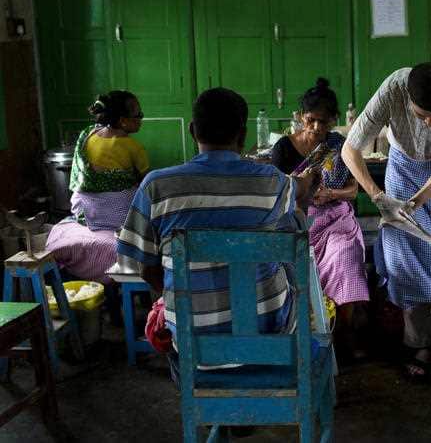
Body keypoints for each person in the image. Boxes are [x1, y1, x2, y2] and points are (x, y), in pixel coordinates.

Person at [116, 87, 319, 372]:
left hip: (194, 349)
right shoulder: (273, 183)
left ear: (192, 130)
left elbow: (145, 269)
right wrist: (308, 179)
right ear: (243, 134)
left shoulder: (156, 188)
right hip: (271, 337)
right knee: (289, 241)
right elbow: (302, 188)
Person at [342, 63, 431, 377]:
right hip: (403, 168)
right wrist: (378, 196)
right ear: (407, 99)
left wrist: (419, 200)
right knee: (404, 260)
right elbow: (350, 150)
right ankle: (417, 341)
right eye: (421, 116)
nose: (429, 123)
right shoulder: (392, 90)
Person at [271, 78, 369, 359]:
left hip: (336, 218)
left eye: (324, 122)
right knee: (298, 262)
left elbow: (353, 190)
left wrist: (332, 193)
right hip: (300, 220)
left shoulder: (340, 145)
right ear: (300, 117)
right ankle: (310, 330)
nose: (316, 128)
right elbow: (279, 195)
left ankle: (342, 335)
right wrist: (303, 191)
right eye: (311, 120)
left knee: (345, 254)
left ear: (334, 121)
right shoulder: (284, 149)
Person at [69, 90, 149, 231]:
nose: (141, 119)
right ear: (123, 121)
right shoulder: (134, 147)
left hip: (83, 211)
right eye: (139, 115)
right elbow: (147, 182)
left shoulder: (88, 135)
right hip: (119, 216)